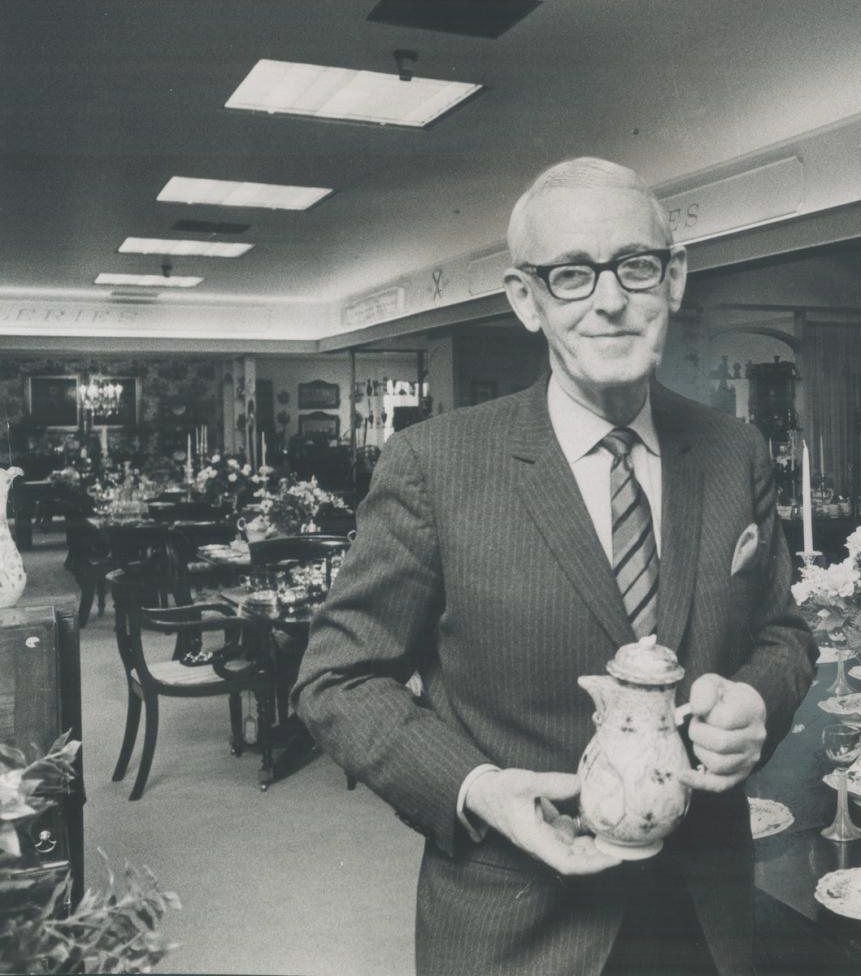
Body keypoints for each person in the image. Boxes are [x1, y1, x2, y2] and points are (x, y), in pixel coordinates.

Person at [293, 157, 817, 975]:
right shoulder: (435, 464)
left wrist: (758, 696)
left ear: (672, 279)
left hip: (707, 914)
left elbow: (782, 633)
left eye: (634, 266)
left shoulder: (733, 451)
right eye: (570, 275)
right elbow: (337, 680)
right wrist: (476, 787)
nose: (609, 300)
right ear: (524, 300)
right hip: (516, 923)